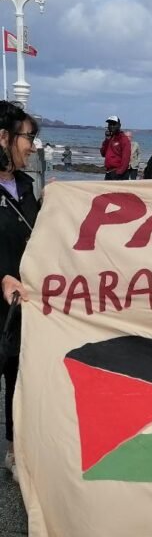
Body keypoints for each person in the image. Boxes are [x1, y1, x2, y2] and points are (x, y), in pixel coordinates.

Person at [0, 101, 41, 484]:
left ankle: (15, 450)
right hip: (3, 295)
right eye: (28, 137)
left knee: (18, 378)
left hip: (22, 303)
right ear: (4, 137)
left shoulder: (27, 185)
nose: (32, 146)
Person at [100, 115, 131, 180]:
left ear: (119, 125)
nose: (111, 126)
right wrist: (107, 139)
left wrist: (119, 172)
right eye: (110, 124)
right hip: (109, 172)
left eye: (114, 124)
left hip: (118, 173)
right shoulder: (109, 138)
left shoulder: (123, 139)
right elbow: (103, 153)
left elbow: (126, 158)